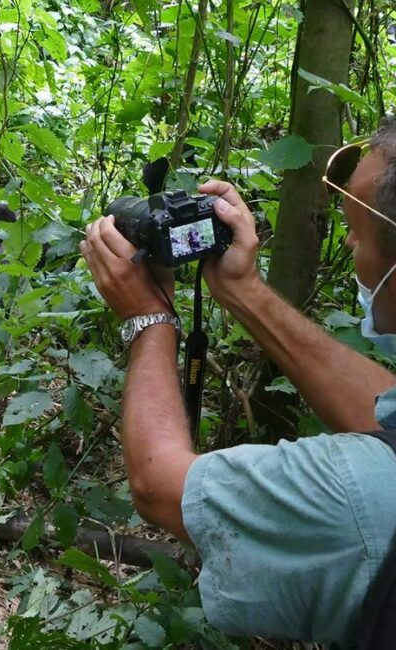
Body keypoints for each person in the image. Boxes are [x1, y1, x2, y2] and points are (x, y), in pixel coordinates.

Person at [80, 119, 396, 648]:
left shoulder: (357, 500)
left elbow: (160, 485)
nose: (347, 241)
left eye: (357, 234)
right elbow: (385, 416)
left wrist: (148, 318)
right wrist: (242, 291)